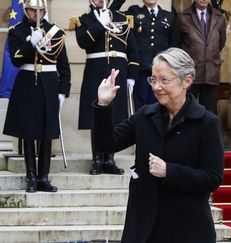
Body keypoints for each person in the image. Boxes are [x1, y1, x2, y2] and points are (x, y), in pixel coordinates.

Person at [92, 48, 224, 242]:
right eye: (153, 79)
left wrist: (169, 171)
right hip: (144, 229)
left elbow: (212, 178)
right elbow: (106, 143)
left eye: (164, 80)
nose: (156, 86)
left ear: (186, 81)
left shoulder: (206, 123)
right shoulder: (145, 116)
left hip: (187, 229)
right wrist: (103, 106)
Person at [3, 0, 71, 192]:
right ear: (26, 10)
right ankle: (31, 177)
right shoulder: (17, 30)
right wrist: (30, 44)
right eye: (33, 10)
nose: (36, 14)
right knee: (28, 133)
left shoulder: (56, 32)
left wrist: (63, 90)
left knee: (46, 133)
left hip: (49, 84)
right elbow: (16, 60)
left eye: (40, 10)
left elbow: (63, 66)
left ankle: (44, 177)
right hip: (26, 84)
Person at [70, 0, 139, 175]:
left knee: (115, 117)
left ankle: (109, 159)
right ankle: (97, 160)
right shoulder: (84, 20)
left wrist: (131, 75)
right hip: (95, 71)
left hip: (118, 71)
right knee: (97, 116)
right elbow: (83, 42)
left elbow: (133, 51)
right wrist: (100, 24)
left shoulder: (123, 19)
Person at [110, 0, 177, 109]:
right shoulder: (134, 11)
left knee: (159, 108)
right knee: (140, 110)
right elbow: (112, 13)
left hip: (161, 73)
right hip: (140, 72)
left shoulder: (169, 16)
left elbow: (173, 46)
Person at [177, 0, 227, 112]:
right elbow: (177, 43)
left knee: (208, 111)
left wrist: (209, 54)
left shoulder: (219, 17)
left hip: (211, 72)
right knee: (188, 110)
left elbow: (221, 42)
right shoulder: (183, 17)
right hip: (190, 73)